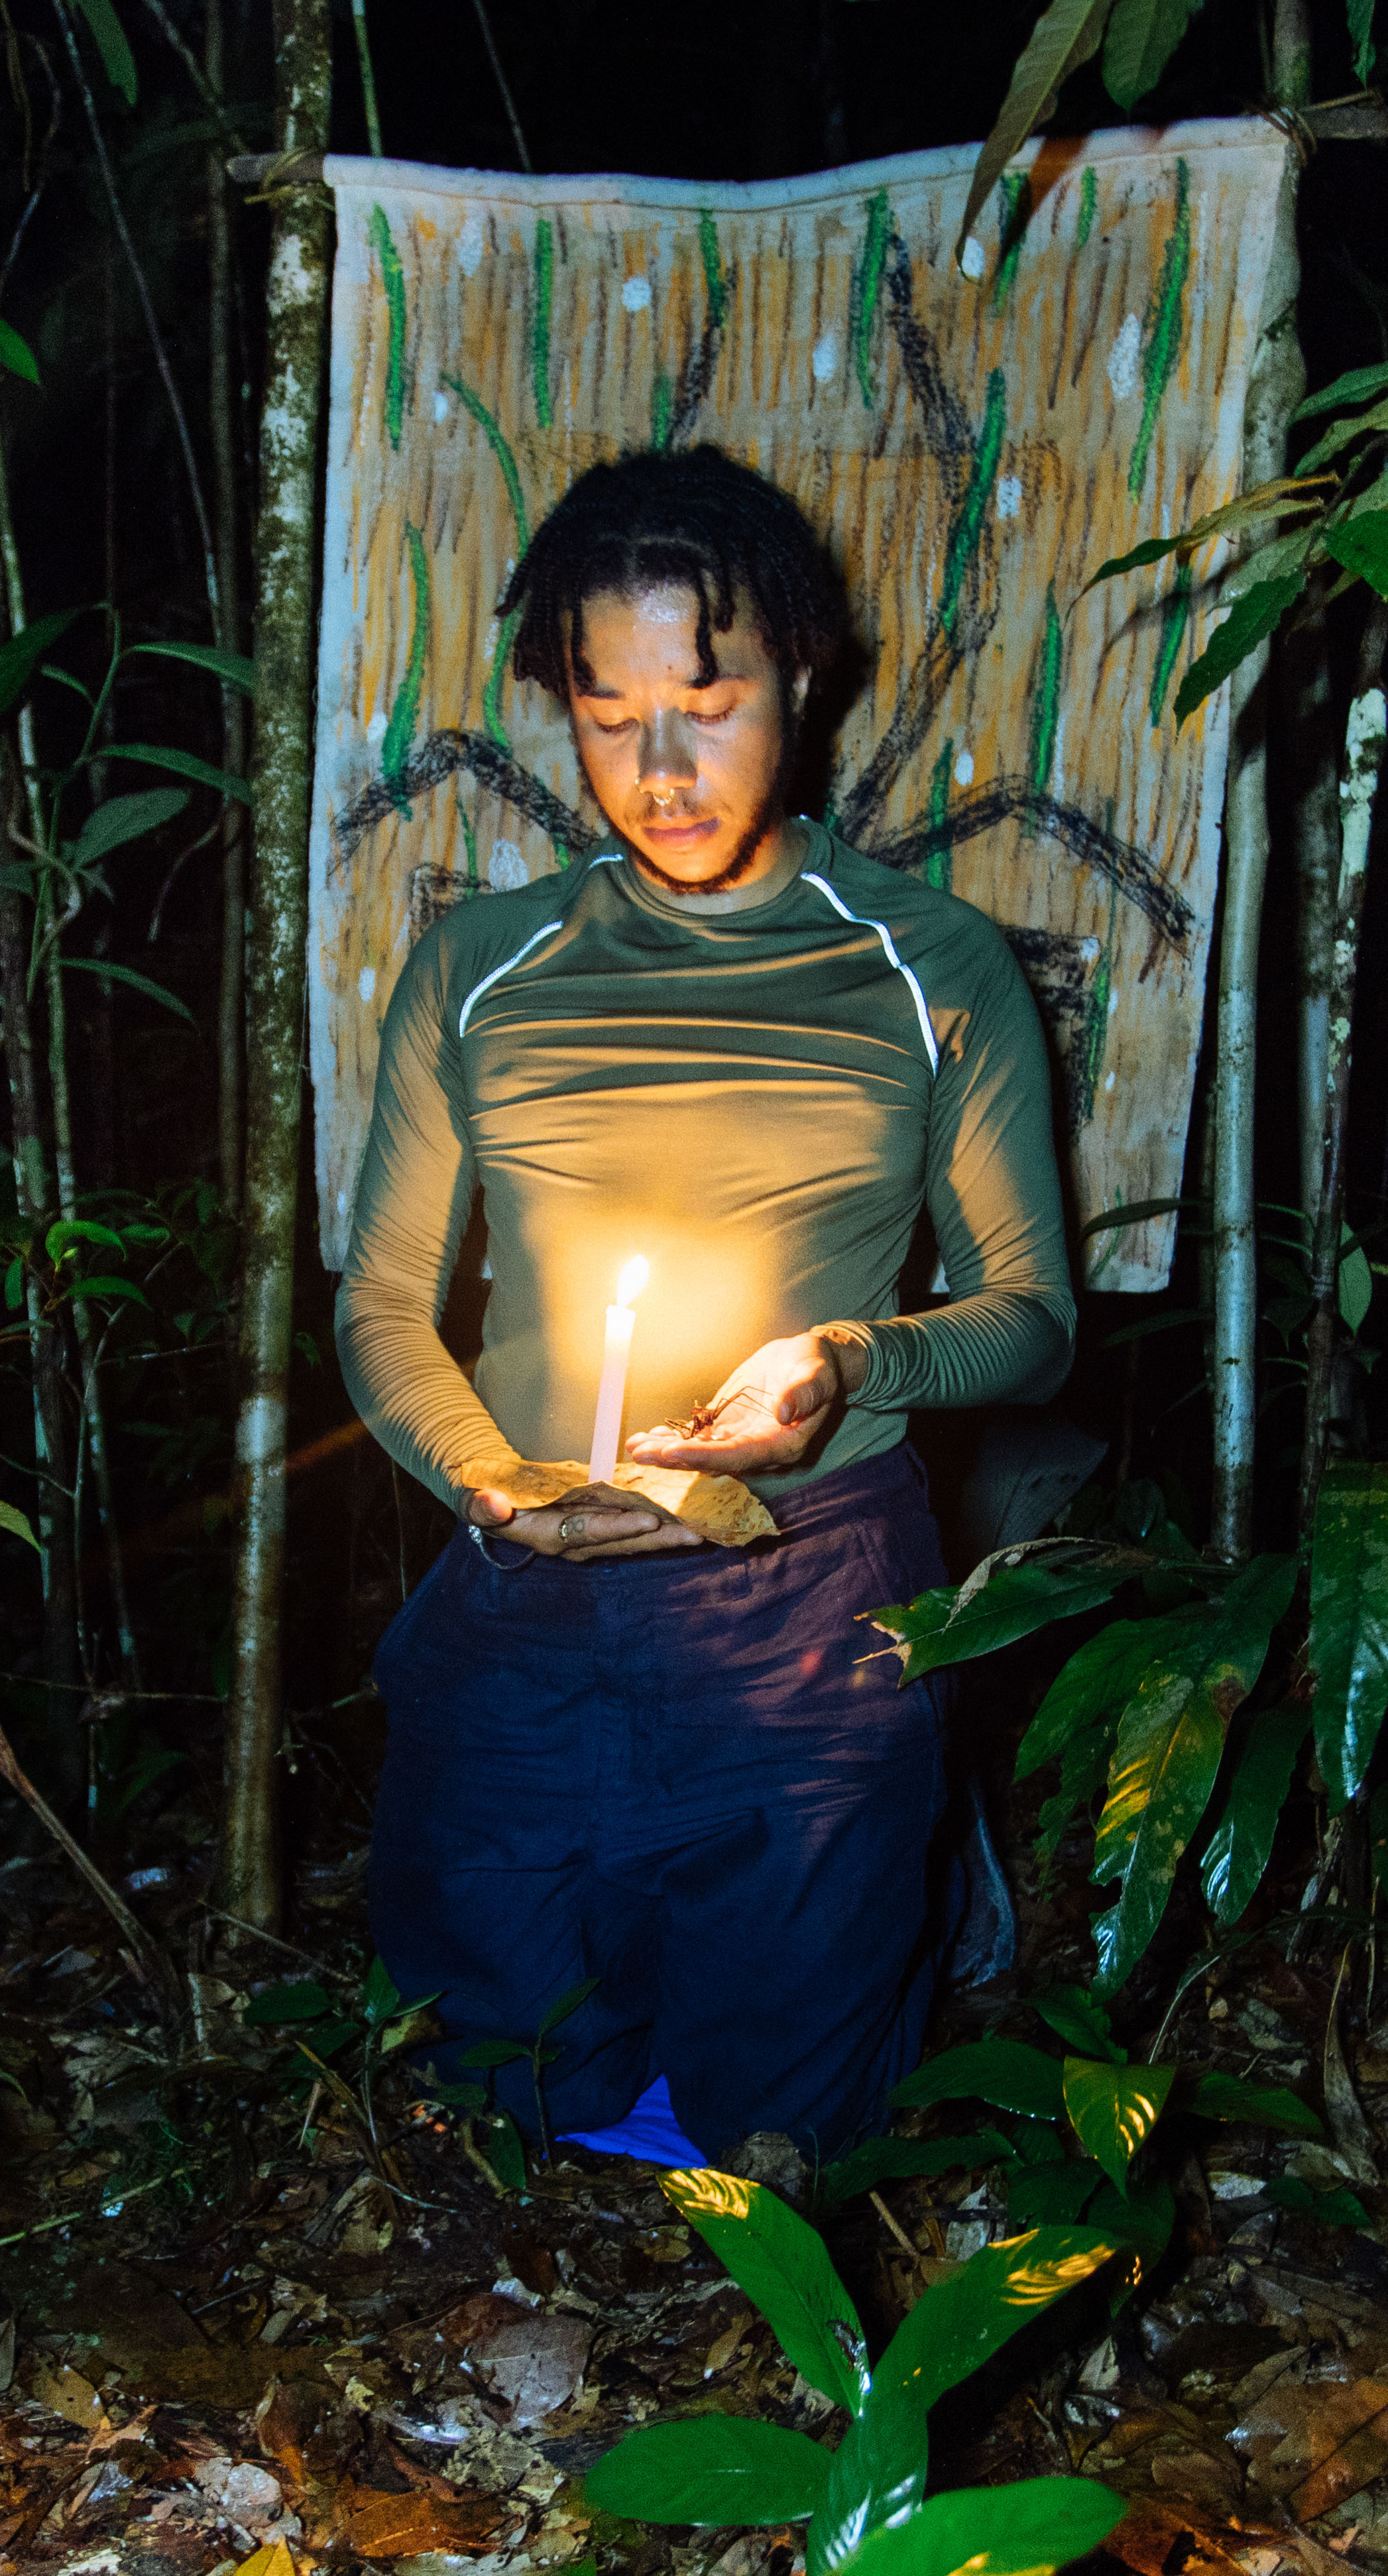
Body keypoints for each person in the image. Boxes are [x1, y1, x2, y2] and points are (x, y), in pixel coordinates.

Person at [336, 445, 1074, 2188]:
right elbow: (381, 1298)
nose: (657, 771)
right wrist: (492, 1480)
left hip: (807, 1596)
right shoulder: (481, 965)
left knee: (781, 2105)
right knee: (498, 2079)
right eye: (605, 718)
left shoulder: (927, 966)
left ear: (801, 682)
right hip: (525, 1574)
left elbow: (1031, 1316)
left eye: (708, 701)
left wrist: (846, 1361)